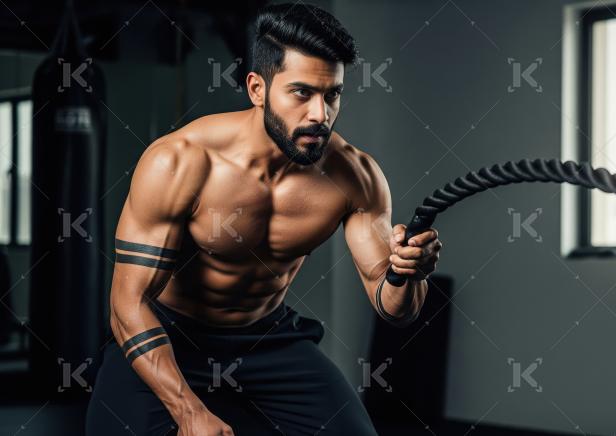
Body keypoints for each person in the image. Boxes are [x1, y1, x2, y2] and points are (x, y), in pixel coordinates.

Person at [85, 4, 442, 435]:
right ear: (257, 88)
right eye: (301, 93)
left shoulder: (355, 176)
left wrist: (408, 274)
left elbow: (393, 309)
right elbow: (127, 303)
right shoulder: (180, 162)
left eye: (332, 95)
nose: (320, 115)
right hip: (171, 335)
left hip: (267, 339)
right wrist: (188, 411)